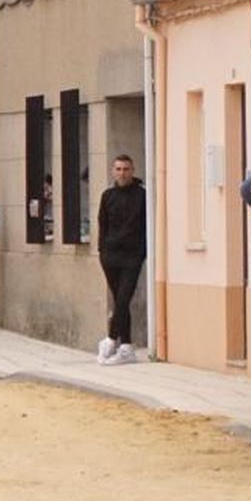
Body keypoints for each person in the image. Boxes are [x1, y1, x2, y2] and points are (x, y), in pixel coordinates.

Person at [96, 155, 146, 366]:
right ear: (113, 171)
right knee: (119, 301)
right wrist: (102, 250)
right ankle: (126, 345)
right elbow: (102, 224)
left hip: (132, 255)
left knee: (124, 298)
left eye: (126, 169)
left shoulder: (142, 195)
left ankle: (109, 339)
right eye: (118, 169)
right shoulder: (108, 196)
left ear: (132, 170)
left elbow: (145, 224)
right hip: (110, 255)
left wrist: (142, 252)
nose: (122, 173)